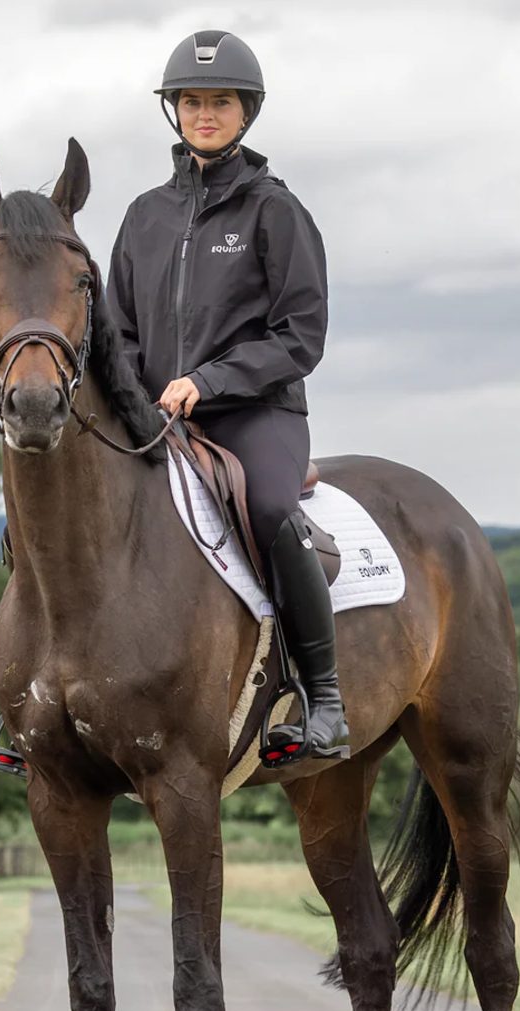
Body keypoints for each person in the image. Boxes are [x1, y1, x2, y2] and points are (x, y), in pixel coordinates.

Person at [106, 29, 349, 763]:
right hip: (152, 417)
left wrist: (207, 381)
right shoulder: (143, 216)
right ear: (173, 112)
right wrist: (134, 395)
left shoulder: (276, 212)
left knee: (271, 509)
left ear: (246, 112)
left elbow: (300, 335)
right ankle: (38, 696)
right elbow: (113, 327)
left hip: (255, 412)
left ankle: (322, 693)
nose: (204, 113)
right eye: (191, 101)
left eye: (220, 102)